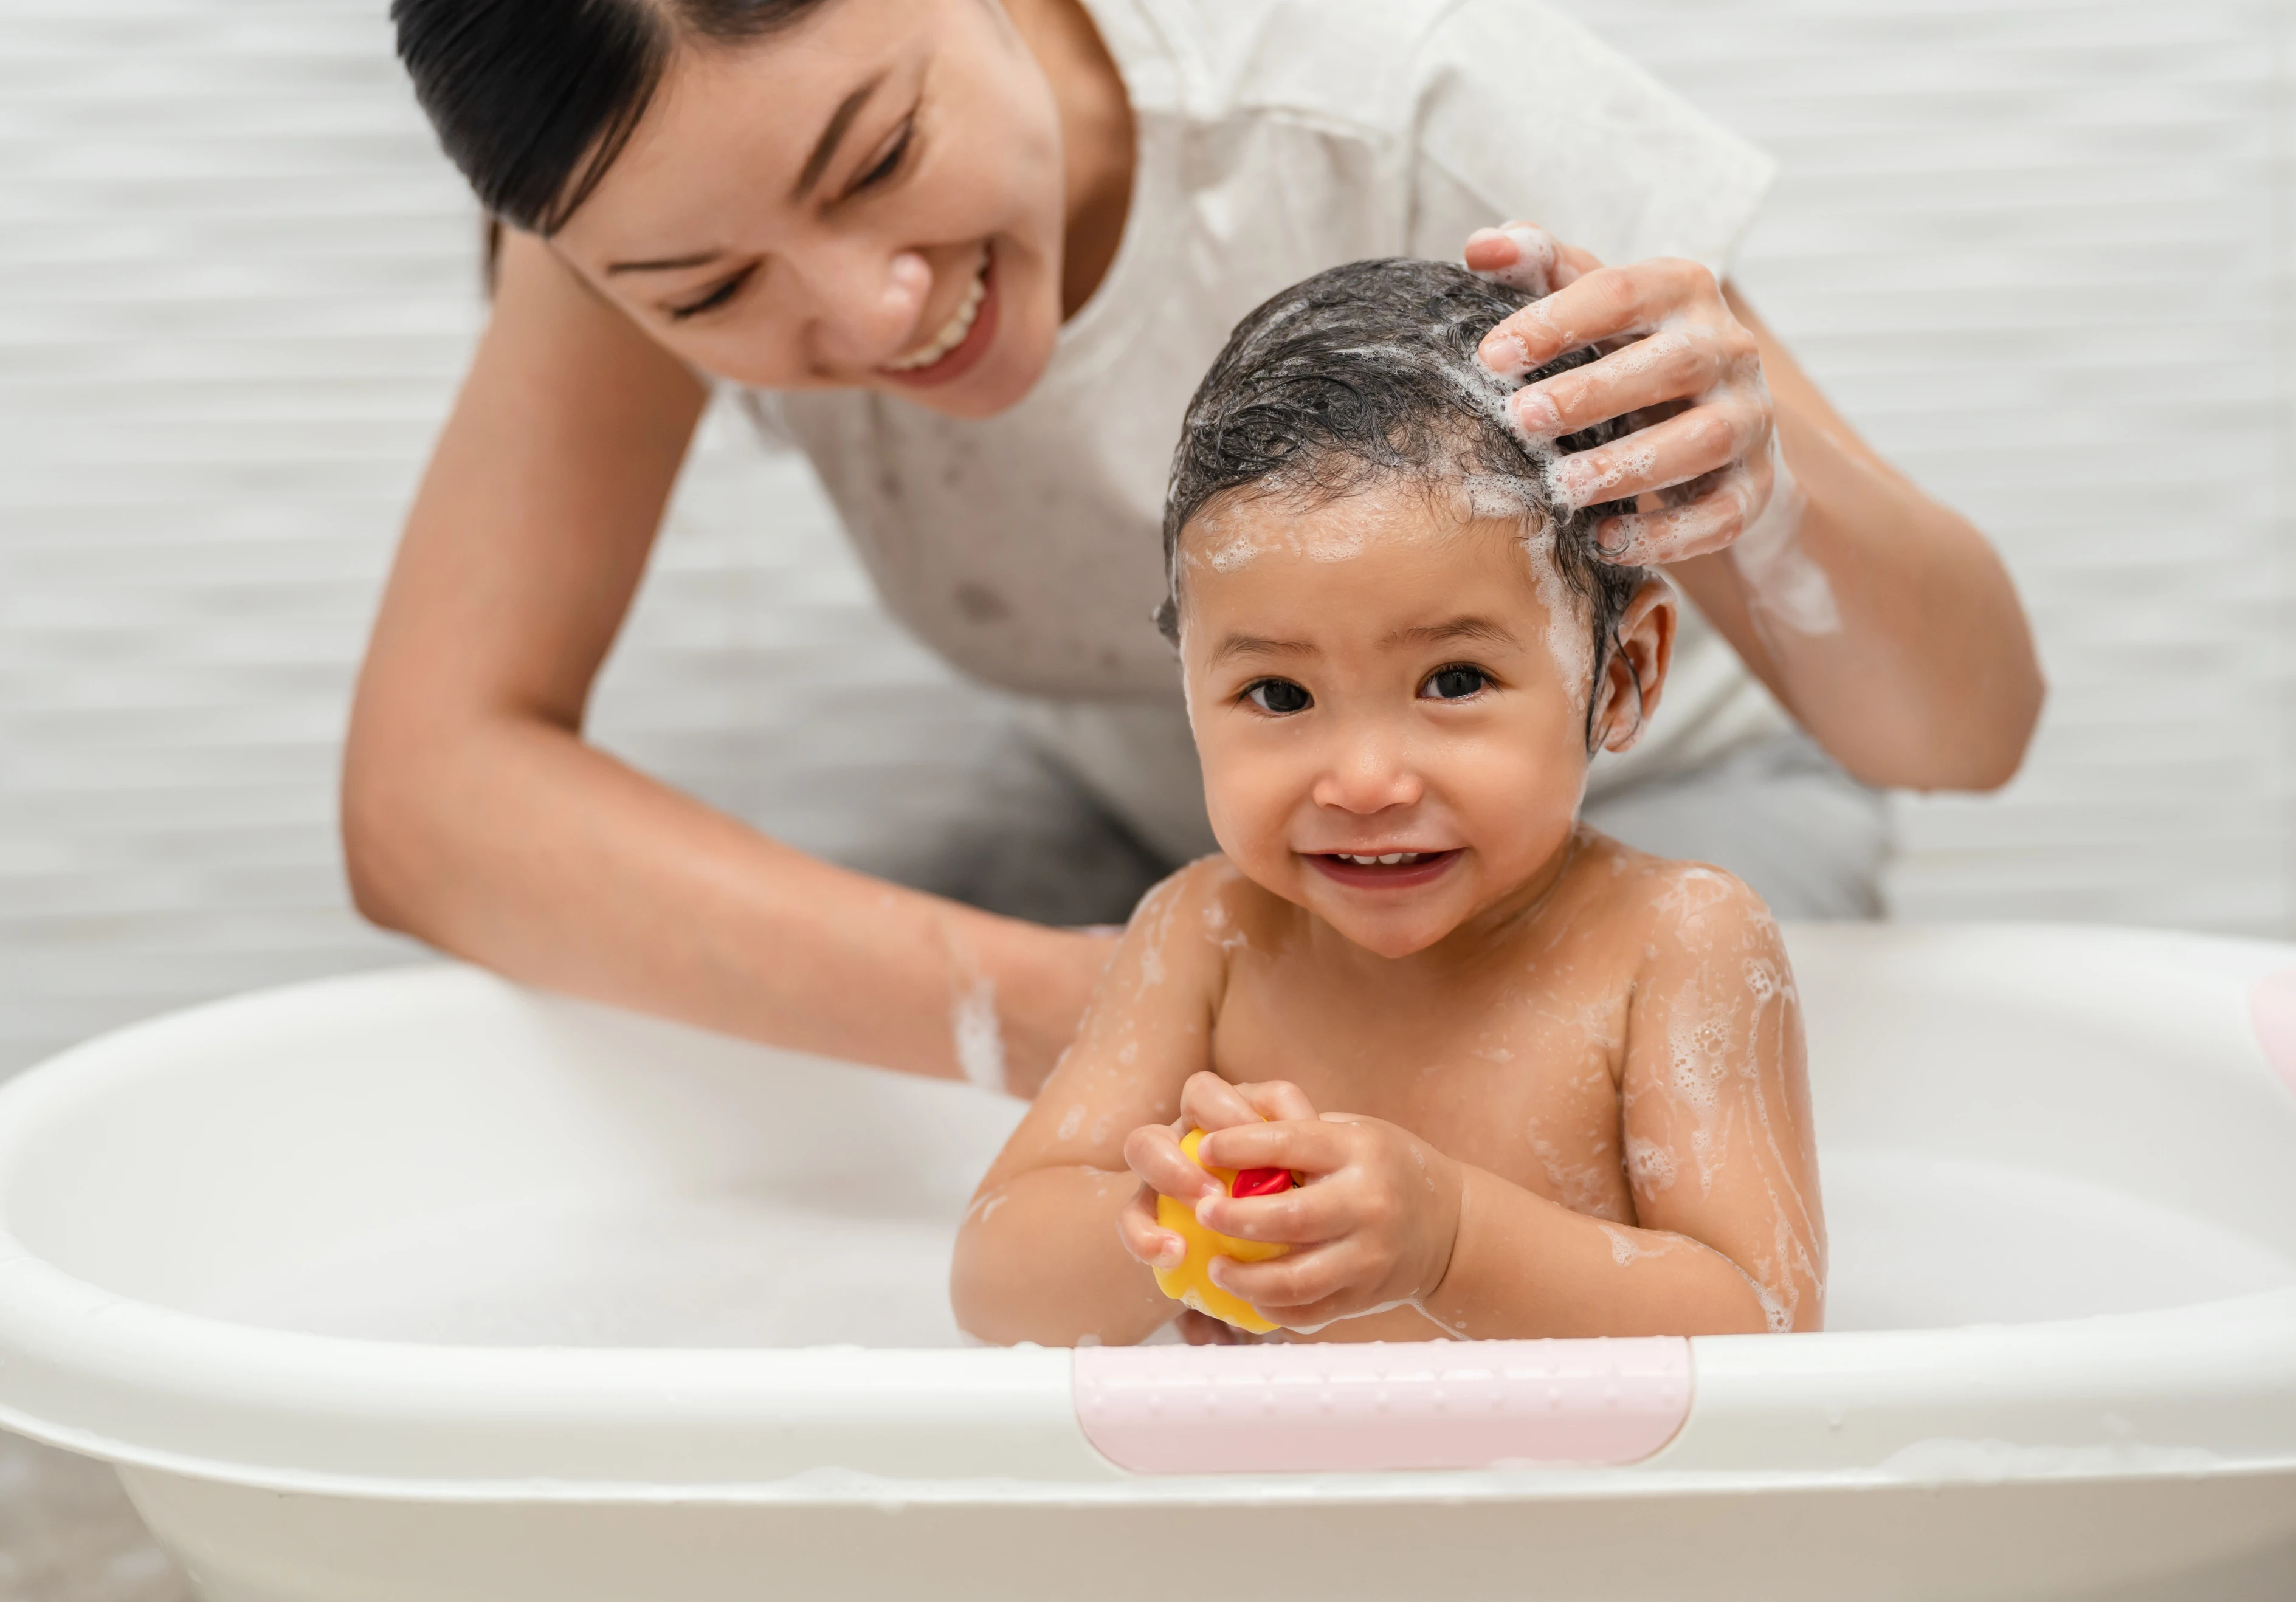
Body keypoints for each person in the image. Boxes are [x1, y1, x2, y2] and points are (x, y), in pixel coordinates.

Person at [350, 0, 2041, 1101]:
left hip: (1644, 813)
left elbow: (1967, 734)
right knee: (823, 1132)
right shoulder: (625, 208)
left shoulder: (1395, 101)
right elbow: (430, 804)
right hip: (1165, 832)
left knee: (1519, 1146)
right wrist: (1084, 1004)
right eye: (713, 295)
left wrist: (1775, 489)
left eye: (878, 157)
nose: (867, 307)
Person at [952, 259, 1823, 1345]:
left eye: (1454, 683)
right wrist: (1177, 1225)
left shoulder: (1673, 946)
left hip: (1561, 1511)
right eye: (1278, 693)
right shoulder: (1207, 937)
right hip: (1284, 1507)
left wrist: (1451, 1241)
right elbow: (994, 1277)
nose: (1364, 783)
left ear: (1624, 676)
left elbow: (1761, 1328)